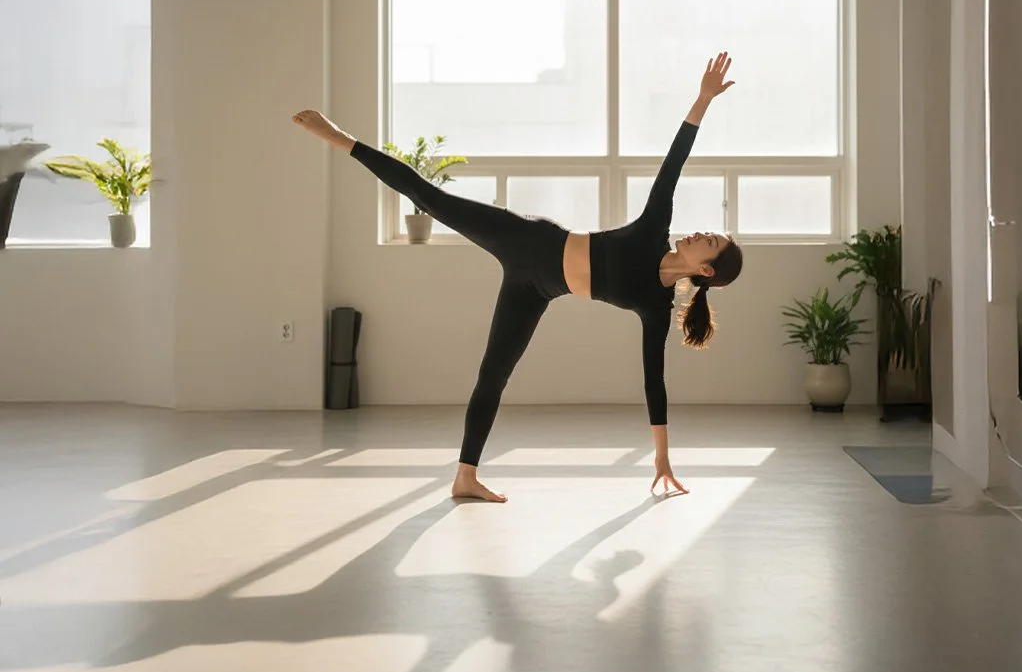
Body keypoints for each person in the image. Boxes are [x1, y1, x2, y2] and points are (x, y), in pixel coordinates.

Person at [293, 51, 743, 503]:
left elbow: (654, 380)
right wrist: (702, 99)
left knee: (493, 376)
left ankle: (465, 476)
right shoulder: (653, 231)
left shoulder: (655, 304)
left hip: (536, 289)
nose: (702, 233)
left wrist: (662, 458)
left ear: (707, 269)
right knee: (428, 197)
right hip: (528, 241)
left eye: (711, 241)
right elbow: (675, 160)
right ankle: (338, 138)